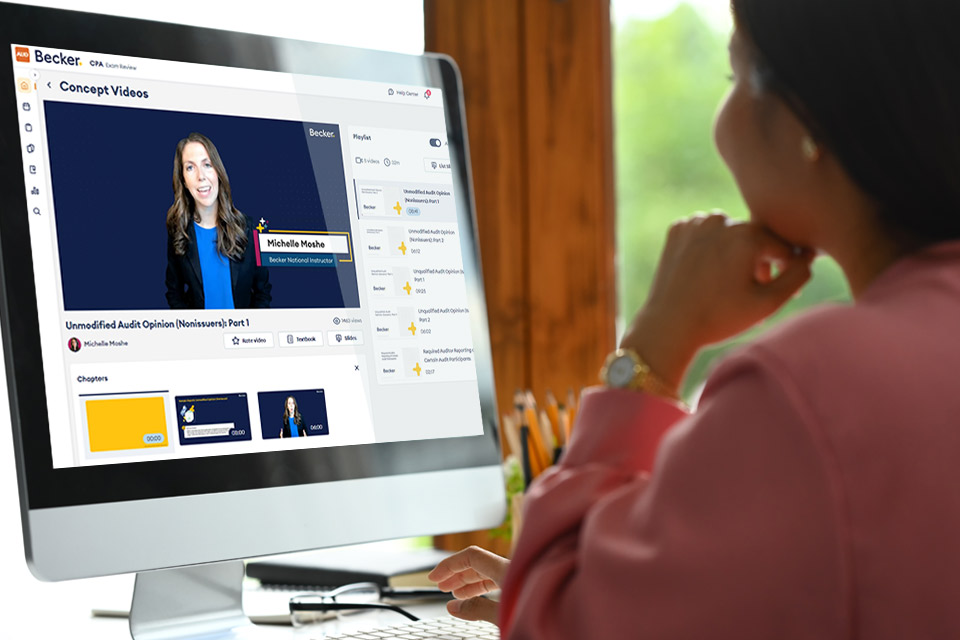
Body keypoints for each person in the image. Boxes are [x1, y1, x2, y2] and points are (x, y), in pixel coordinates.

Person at [428, 0, 960, 637]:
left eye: (735, 77)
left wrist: (654, 345)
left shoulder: (813, 387)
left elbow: (560, 628)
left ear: (809, 120)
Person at [165, 132, 271, 309]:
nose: (201, 176)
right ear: (183, 180)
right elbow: (174, 292)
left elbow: (263, 292)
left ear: (218, 171)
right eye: (190, 168)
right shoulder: (178, 231)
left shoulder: (249, 229)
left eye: (207, 165)